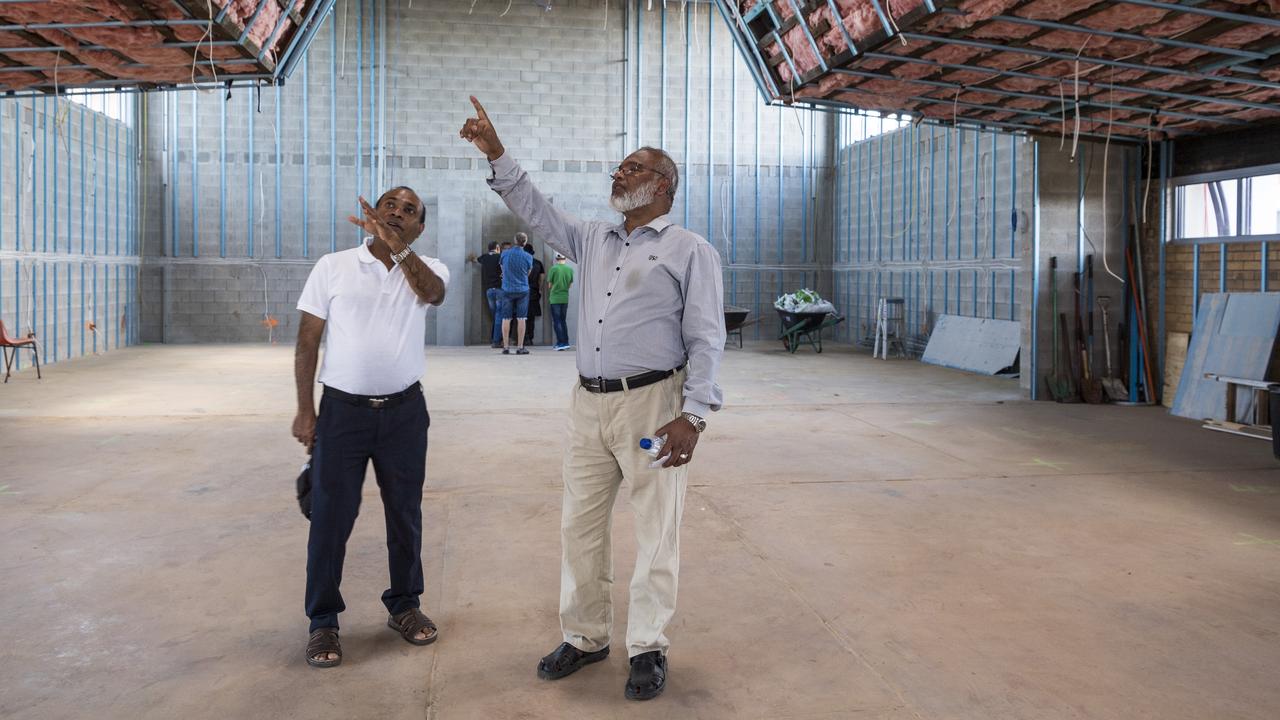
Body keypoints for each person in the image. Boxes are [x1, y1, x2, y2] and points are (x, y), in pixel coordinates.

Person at [461, 97, 725, 701]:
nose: (618, 174)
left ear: (662, 184)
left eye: (631, 168)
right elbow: (533, 206)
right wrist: (496, 153)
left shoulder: (690, 250)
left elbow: (707, 338)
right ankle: (585, 637)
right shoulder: (593, 238)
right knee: (579, 525)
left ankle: (648, 646)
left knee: (657, 529)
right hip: (588, 405)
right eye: (618, 167)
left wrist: (695, 415)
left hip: (653, 408)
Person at [291, 186, 450, 669]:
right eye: (390, 206)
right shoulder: (333, 266)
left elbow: (435, 295)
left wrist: (397, 248)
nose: (397, 214)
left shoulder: (429, 269)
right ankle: (323, 622)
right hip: (342, 413)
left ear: (419, 228)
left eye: (409, 211)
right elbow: (307, 341)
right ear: (373, 211)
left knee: (405, 513)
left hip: (405, 413)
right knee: (330, 518)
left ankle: (404, 605)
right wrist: (305, 410)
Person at [499, 231, 534, 355]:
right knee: (521, 318)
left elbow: (502, 269)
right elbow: (528, 273)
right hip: (523, 290)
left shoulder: (504, 253)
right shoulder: (528, 257)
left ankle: (506, 347)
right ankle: (520, 347)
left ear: (515, 240)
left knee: (506, 318)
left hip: (507, 288)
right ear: (524, 242)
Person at [469, 240, 503, 347]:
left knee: (495, 316)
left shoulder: (484, 257)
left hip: (488, 290)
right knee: (499, 316)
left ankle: (496, 337)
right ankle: (496, 341)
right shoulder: (500, 257)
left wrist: (471, 257)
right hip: (499, 289)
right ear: (497, 247)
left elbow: (474, 260)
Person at [546, 253, 573, 350]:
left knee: (557, 321)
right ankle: (566, 342)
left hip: (555, 298)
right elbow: (570, 285)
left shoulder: (553, 269)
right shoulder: (570, 269)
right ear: (565, 258)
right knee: (563, 320)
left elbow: (549, 285)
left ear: (556, 259)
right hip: (565, 297)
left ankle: (560, 343)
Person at [524, 243, 546, 346]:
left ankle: (523, 338)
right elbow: (541, 278)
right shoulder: (538, 263)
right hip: (533, 291)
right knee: (531, 317)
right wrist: (540, 289)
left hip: (522, 291)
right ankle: (530, 338)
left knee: (521, 316)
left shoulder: (522, 262)